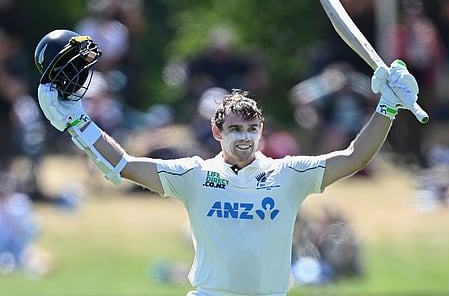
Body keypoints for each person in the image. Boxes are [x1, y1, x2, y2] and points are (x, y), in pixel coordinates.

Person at [33, 29, 421, 296]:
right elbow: (123, 166)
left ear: (262, 130)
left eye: (251, 128)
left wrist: (386, 108)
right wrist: (77, 122)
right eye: (235, 128)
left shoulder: (289, 175)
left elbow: (354, 158)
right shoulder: (195, 175)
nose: (244, 136)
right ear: (217, 133)